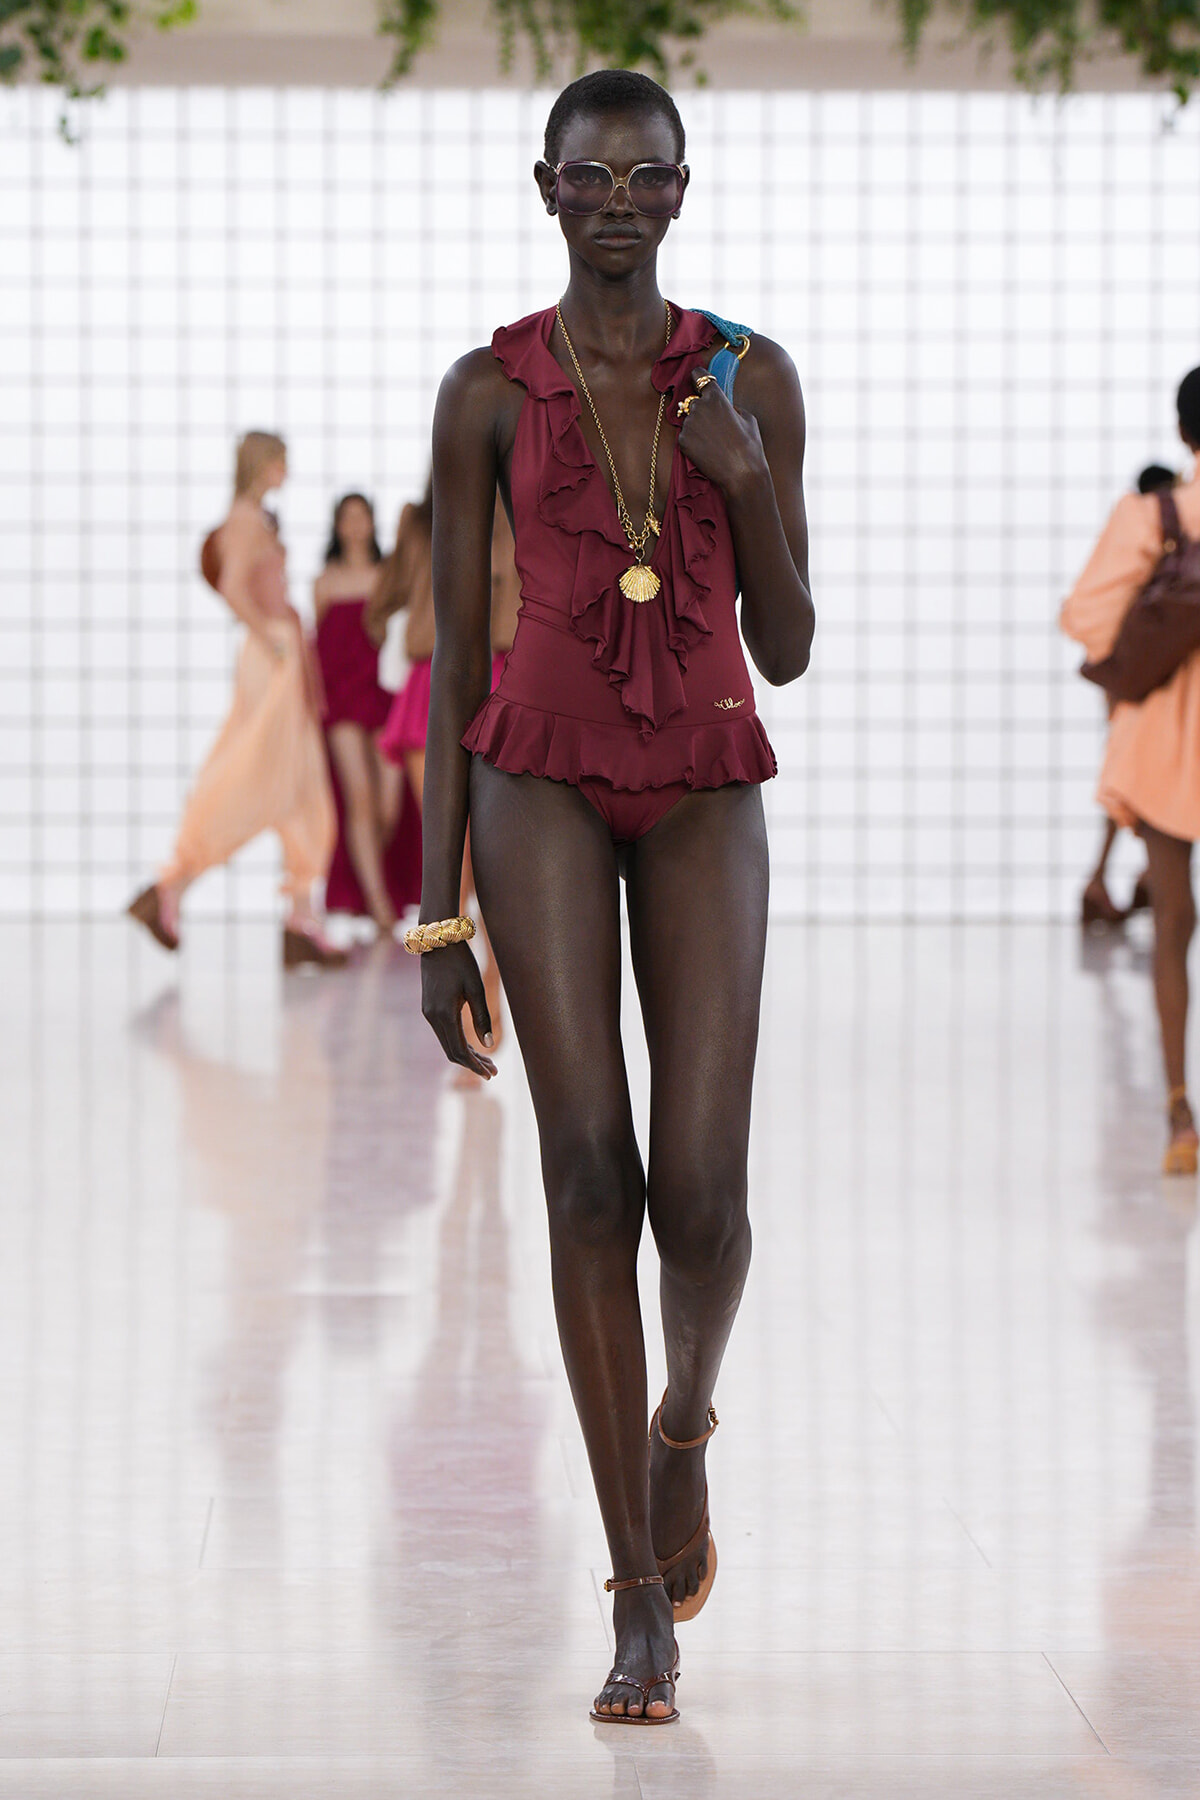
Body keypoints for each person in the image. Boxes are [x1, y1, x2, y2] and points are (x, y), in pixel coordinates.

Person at [409, 70, 813, 1723]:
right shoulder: (485, 393)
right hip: (536, 781)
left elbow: (785, 645)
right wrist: (436, 914)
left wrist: (745, 481)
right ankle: (636, 1594)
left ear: (685, 188)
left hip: (710, 777)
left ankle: (684, 1432)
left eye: (651, 175)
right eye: (594, 174)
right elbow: (444, 668)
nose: (622, 198)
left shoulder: (753, 376)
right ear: (548, 186)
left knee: (703, 1193)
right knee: (592, 1179)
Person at [127, 431, 345, 969]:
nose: (286, 472)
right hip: (273, 657)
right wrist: (272, 638)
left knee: (302, 785)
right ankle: (172, 884)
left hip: (279, 653)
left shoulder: (253, 518)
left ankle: (300, 916)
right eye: (280, 462)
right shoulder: (246, 519)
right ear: (263, 464)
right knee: (257, 775)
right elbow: (230, 585)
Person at [1061, 373, 1200, 1175]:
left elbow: (1087, 617)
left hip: (1164, 742)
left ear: (1185, 434)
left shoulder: (1155, 515)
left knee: (1174, 929)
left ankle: (1182, 1114)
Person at [366, 480, 519, 1040]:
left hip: (505, 675)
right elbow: (379, 602)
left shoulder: (526, 507)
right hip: (435, 679)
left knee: (499, 856)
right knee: (450, 852)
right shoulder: (420, 519)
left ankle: (494, 997)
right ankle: (468, 1012)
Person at [1079, 463, 1175, 928]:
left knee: (1129, 778)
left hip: (1128, 675)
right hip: (1150, 681)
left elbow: (1092, 609)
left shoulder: (1132, 536)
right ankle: (1127, 877)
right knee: (1140, 778)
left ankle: (1119, 878)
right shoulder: (1161, 536)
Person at [313, 492, 413, 934]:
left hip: (382, 693)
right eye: (346, 518)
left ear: (373, 523)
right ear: (337, 526)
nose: (354, 525)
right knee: (358, 800)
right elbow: (316, 644)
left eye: (362, 517)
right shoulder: (326, 581)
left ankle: (376, 891)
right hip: (339, 700)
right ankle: (378, 906)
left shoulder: (387, 574)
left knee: (389, 805)